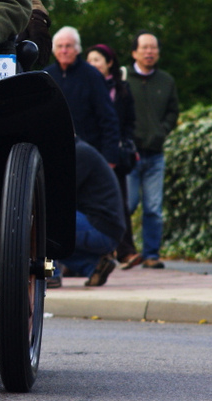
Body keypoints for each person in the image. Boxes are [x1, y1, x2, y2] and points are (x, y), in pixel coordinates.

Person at [125, 32, 179, 269]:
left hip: (156, 154)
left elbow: (173, 111)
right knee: (127, 205)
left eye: (153, 48)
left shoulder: (167, 80)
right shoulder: (124, 78)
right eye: (145, 48)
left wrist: (162, 131)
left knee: (154, 209)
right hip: (130, 154)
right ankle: (123, 253)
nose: (149, 52)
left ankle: (151, 255)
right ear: (134, 52)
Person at [86, 43, 141, 269]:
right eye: (89, 61)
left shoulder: (122, 89)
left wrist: (124, 145)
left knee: (120, 202)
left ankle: (126, 250)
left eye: (97, 60)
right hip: (89, 153)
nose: (92, 65)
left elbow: (129, 122)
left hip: (113, 155)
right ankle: (94, 255)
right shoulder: (84, 85)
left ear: (109, 63)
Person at [49, 137, 126, 288]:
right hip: (107, 228)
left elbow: (58, 195)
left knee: (44, 219)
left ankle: (52, 275)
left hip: (101, 228)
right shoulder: (80, 150)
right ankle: (94, 266)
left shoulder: (79, 153)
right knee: (58, 240)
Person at [45, 26, 120, 165]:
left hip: (89, 153)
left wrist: (110, 157)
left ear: (77, 49)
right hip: (55, 152)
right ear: (54, 50)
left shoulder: (92, 76)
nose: (64, 50)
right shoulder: (47, 76)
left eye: (68, 46)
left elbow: (108, 118)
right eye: (60, 46)